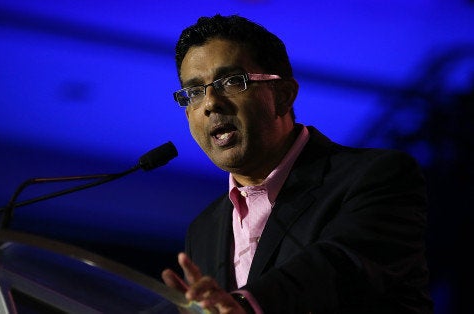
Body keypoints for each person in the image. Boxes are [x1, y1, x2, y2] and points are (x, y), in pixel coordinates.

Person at [161, 14, 433, 313]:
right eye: (195, 92)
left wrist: (245, 303)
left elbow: (341, 265)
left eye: (231, 82)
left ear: (283, 95)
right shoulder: (204, 229)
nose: (211, 103)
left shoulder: (376, 176)